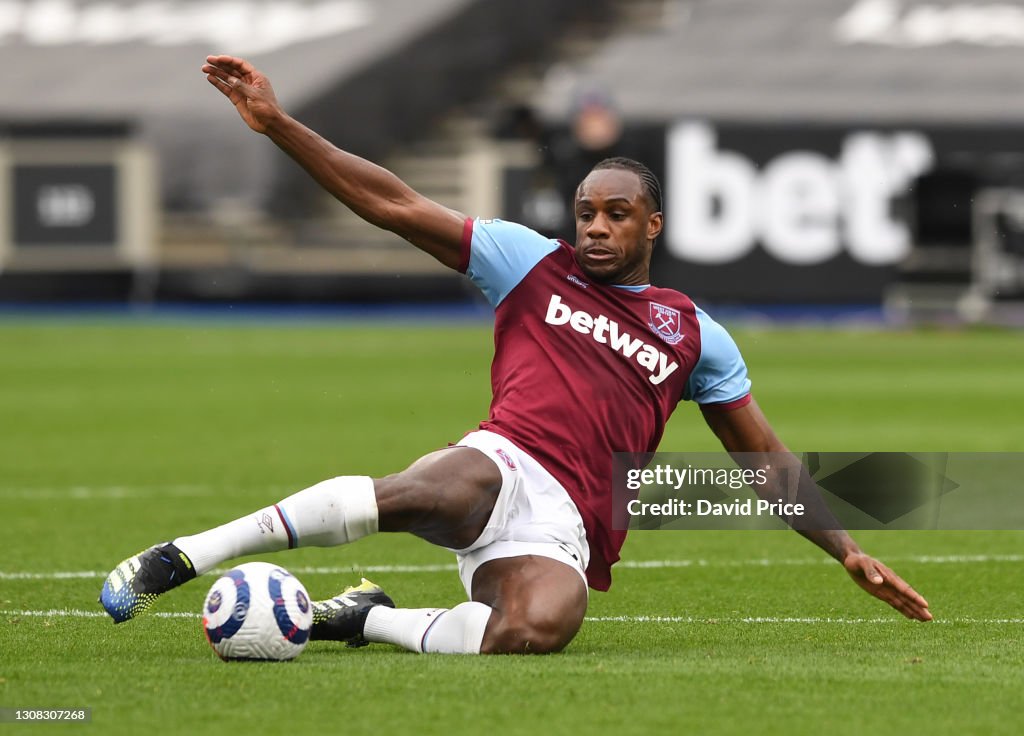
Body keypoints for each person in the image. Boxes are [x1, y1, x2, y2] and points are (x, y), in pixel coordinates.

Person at [98, 55, 932, 654]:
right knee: (432, 485)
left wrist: (847, 548)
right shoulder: (527, 260)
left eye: (615, 214)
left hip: (568, 520)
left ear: (653, 225)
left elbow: (763, 462)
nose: (596, 227)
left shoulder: (694, 334)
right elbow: (391, 202)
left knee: (534, 632)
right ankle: (179, 556)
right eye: (586, 212)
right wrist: (279, 124)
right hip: (502, 462)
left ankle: (364, 618)